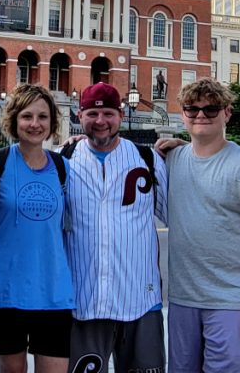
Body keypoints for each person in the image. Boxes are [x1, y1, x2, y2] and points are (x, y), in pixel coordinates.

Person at [165, 78, 240, 373]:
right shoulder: (172, 159)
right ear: (183, 115)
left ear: (227, 112)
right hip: (183, 300)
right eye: (192, 109)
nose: (201, 115)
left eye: (211, 109)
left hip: (232, 302)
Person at [0, 84, 75, 373]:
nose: (35, 124)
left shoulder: (63, 167)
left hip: (53, 292)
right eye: (27, 116)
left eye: (42, 117)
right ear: (14, 120)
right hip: (5, 291)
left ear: (52, 123)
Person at [64, 82, 168, 373]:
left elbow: (176, 216)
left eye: (108, 113)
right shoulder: (63, 160)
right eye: (91, 114)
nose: (100, 122)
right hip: (84, 300)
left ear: (120, 115)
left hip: (141, 298)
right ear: (79, 115)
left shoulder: (147, 159)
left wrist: (187, 148)